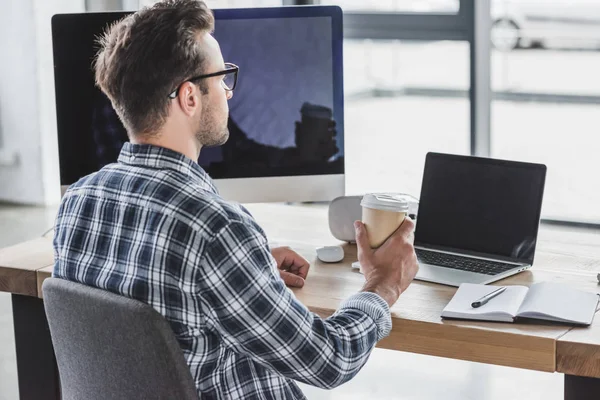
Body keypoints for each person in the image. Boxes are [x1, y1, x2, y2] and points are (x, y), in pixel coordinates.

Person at [52, 1, 419, 399]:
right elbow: (329, 360)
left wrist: (247, 266)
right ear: (189, 98)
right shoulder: (217, 231)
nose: (228, 91)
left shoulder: (78, 202)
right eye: (223, 76)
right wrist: (382, 284)